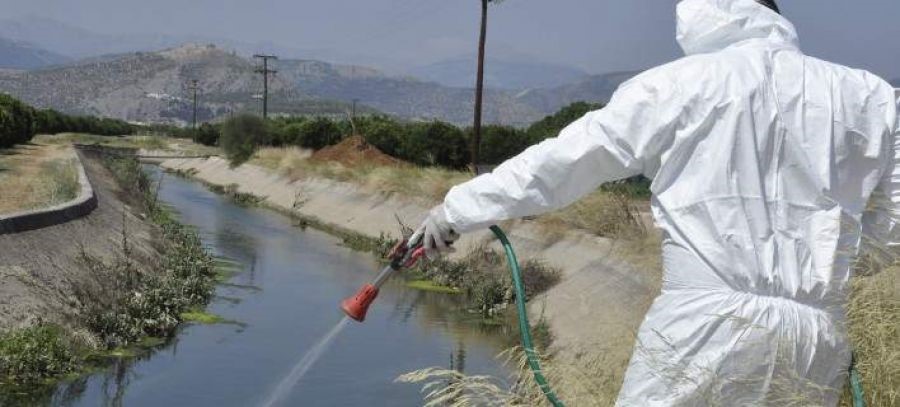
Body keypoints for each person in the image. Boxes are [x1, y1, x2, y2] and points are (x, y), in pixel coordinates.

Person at [415, 0, 900, 405]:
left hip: (701, 328)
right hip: (816, 337)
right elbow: (889, 232)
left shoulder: (680, 83)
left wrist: (457, 210)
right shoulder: (873, 98)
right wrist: (816, 281)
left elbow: (563, 163)